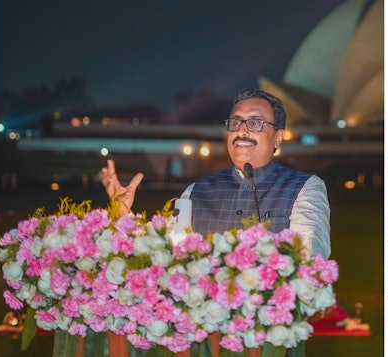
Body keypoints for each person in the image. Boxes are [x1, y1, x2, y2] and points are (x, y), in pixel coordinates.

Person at [101, 88, 331, 258]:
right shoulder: (195, 191)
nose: (242, 130)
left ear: (278, 137)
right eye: (236, 122)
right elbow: (164, 249)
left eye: (255, 123)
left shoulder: (304, 187)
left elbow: (310, 258)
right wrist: (124, 215)